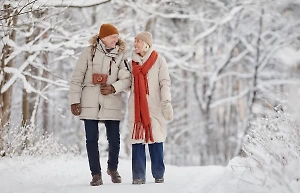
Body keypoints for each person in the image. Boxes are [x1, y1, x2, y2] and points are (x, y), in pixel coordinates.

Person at [69, 23, 131, 186]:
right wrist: (74, 100)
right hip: (90, 100)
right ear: (103, 37)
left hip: (111, 100)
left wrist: (113, 87)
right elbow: (77, 77)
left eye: (117, 37)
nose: (116, 40)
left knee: (114, 140)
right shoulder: (88, 52)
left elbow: (127, 79)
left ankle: (112, 168)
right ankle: (96, 174)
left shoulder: (121, 55)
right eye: (113, 37)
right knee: (91, 139)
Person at [127, 31, 173, 184]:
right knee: (137, 140)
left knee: (156, 139)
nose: (135, 44)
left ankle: (158, 173)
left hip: (154, 106)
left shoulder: (159, 61)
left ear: (146, 44)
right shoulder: (131, 63)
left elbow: (164, 83)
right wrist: (113, 87)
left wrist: (166, 102)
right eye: (134, 41)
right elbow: (126, 83)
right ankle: (138, 176)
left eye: (138, 41)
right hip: (136, 107)